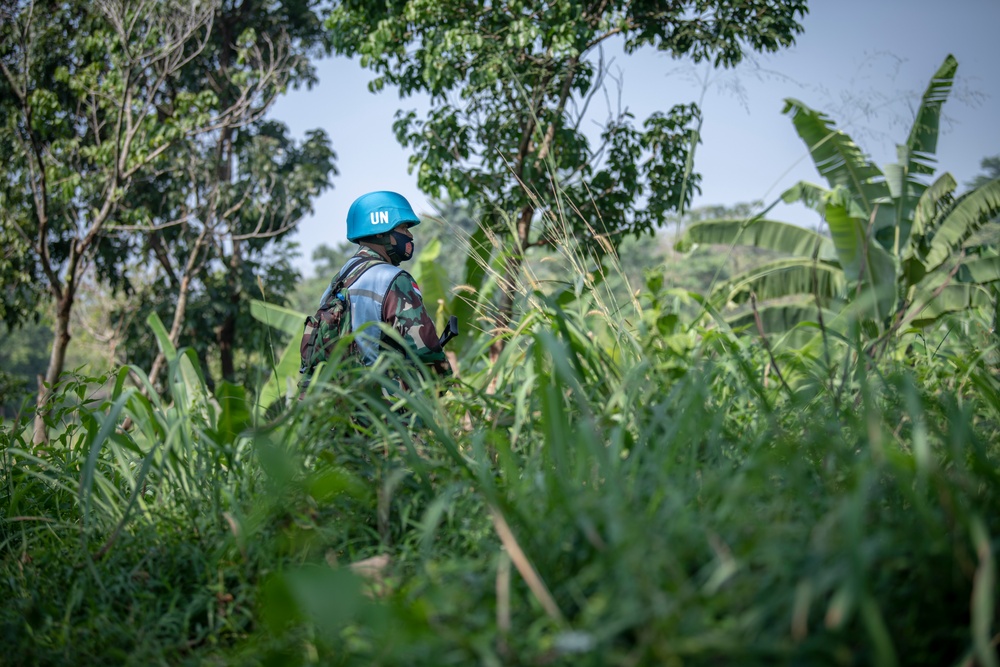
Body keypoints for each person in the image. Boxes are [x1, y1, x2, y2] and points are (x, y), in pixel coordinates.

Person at [321, 190, 452, 383]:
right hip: (385, 398)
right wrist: (442, 382)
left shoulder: (337, 282)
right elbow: (425, 350)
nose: (410, 235)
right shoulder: (392, 278)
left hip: (342, 397)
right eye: (404, 228)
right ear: (381, 231)